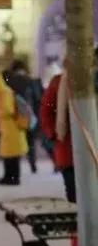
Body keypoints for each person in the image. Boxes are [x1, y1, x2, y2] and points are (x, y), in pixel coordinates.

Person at [40, 65, 75, 202]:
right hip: (68, 148)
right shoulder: (59, 82)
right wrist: (54, 134)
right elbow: (46, 112)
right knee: (73, 194)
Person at [4, 60, 42, 174]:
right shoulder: (31, 81)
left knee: (16, 140)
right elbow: (37, 98)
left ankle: (16, 168)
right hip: (29, 115)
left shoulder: (10, 81)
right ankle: (33, 163)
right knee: (30, 141)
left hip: (14, 115)